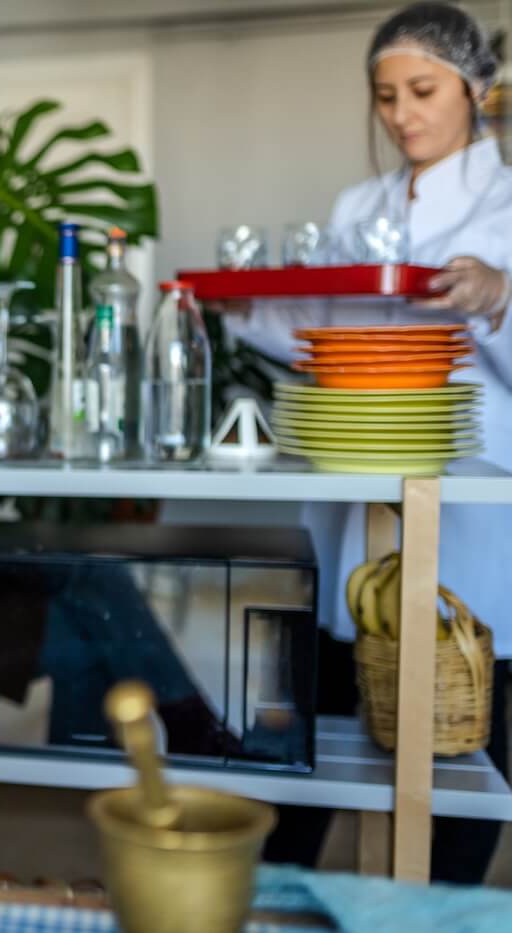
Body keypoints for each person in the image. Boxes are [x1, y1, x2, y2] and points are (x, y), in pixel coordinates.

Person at [224, 2, 512, 883]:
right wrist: (244, 306)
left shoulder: (507, 204)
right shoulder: (360, 205)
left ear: (476, 88)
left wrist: (497, 296)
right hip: (354, 481)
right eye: (385, 96)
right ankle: (278, 896)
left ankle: (439, 903)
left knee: (467, 732)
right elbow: (320, 327)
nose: (400, 114)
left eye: (421, 90)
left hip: (474, 499)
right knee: (321, 717)